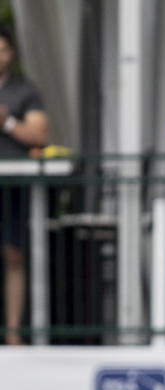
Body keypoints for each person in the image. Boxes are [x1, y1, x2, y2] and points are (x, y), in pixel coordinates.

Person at [0, 25, 47, 346]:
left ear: (11, 52)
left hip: (13, 182)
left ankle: (14, 331)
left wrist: (7, 121)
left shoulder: (24, 91)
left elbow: (40, 136)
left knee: (14, 254)